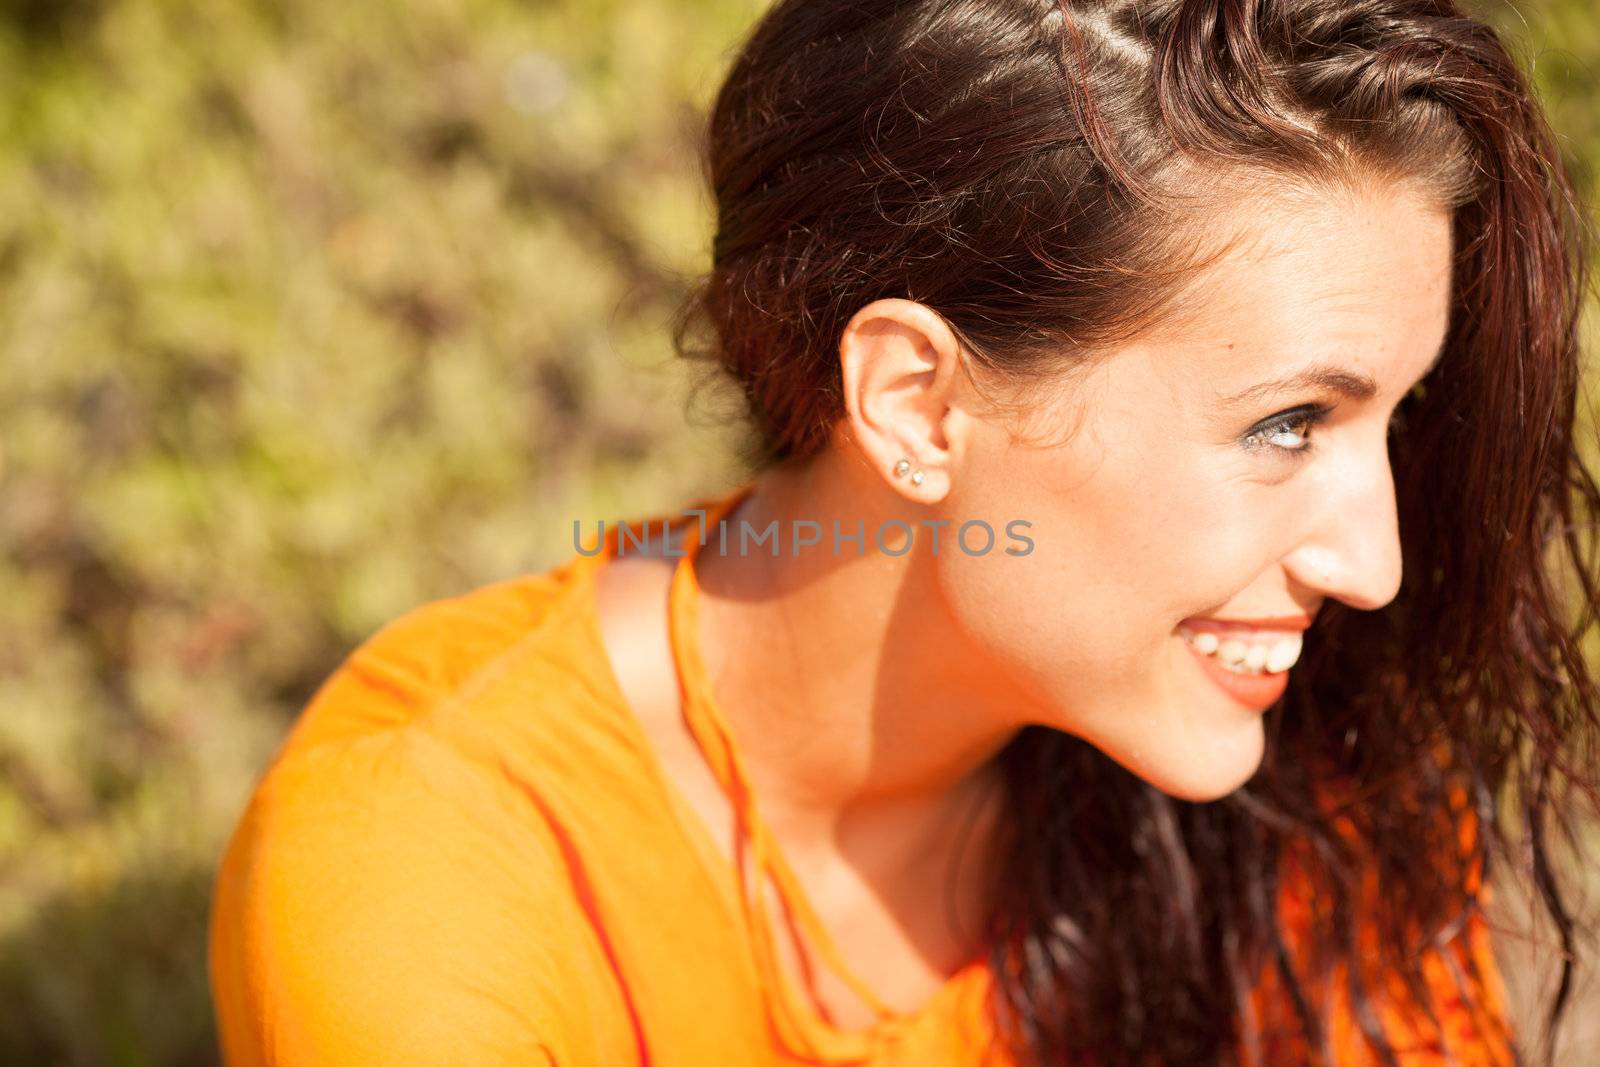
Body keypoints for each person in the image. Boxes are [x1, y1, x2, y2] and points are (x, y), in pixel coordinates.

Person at [207, 0, 1600, 1064]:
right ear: (917, 404)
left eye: (1395, 421)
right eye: (1288, 423)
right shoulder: (434, 879)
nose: (1375, 564)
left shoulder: (1295, 790)